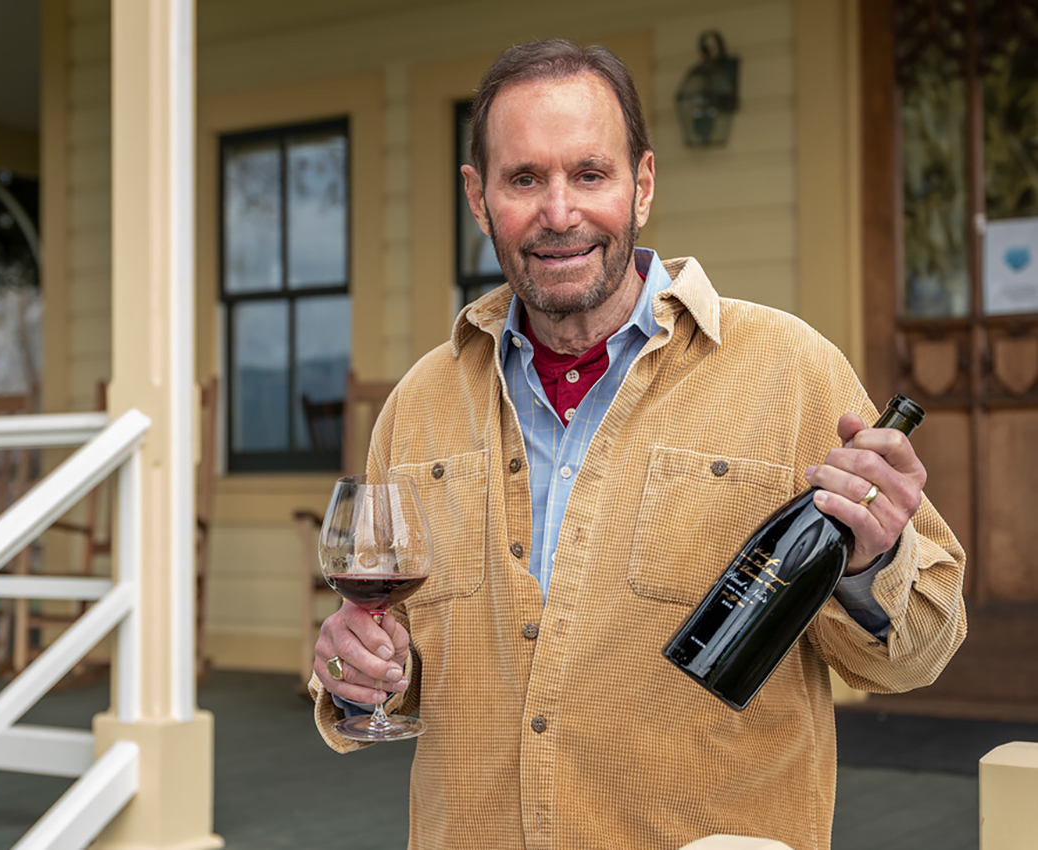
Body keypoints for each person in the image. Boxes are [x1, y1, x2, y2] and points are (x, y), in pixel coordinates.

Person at [308, 38, 966, 850]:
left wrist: (871, 562)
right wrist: (358, 673)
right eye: (524, 179)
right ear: (479, 197)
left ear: (643, 184)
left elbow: (916, 657)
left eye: (590, 174)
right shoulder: (419, 404)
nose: (559, 213)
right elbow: (387, 659)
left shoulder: (791, 370)